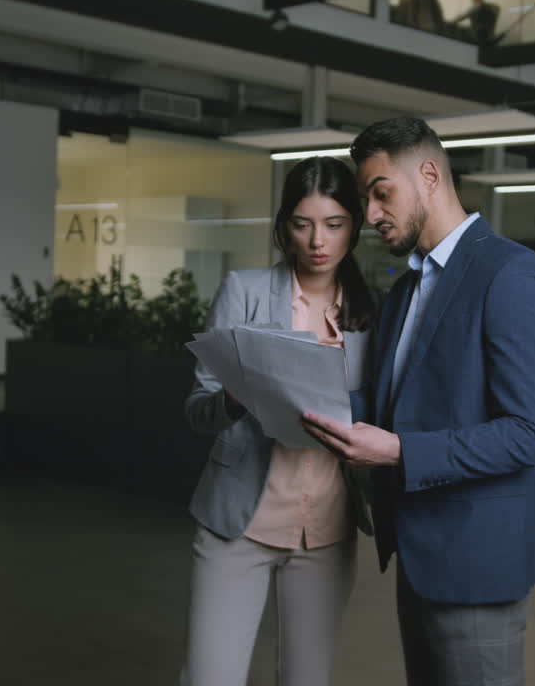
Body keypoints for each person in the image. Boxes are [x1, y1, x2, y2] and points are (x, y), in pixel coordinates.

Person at [301, 117, 535, 686]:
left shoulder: (513, 272)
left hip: (477, 559)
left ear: (428, 175)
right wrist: (297, 392)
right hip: (420, 550)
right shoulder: (407, 287)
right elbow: (389, 399)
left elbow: (528, 435)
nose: (370, 214)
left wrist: (398, 451)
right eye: (366, 198)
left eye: (381, 193)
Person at [181, 156, 379, 686]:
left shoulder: (371, 311)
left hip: (327, 529)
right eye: (303, 224)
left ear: (354, 228)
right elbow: (198, 408)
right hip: (238, 521)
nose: (318, 241)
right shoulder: (244, 292)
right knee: (210, 678)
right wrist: (239, 397)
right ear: (283, 227)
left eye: (334, 225)